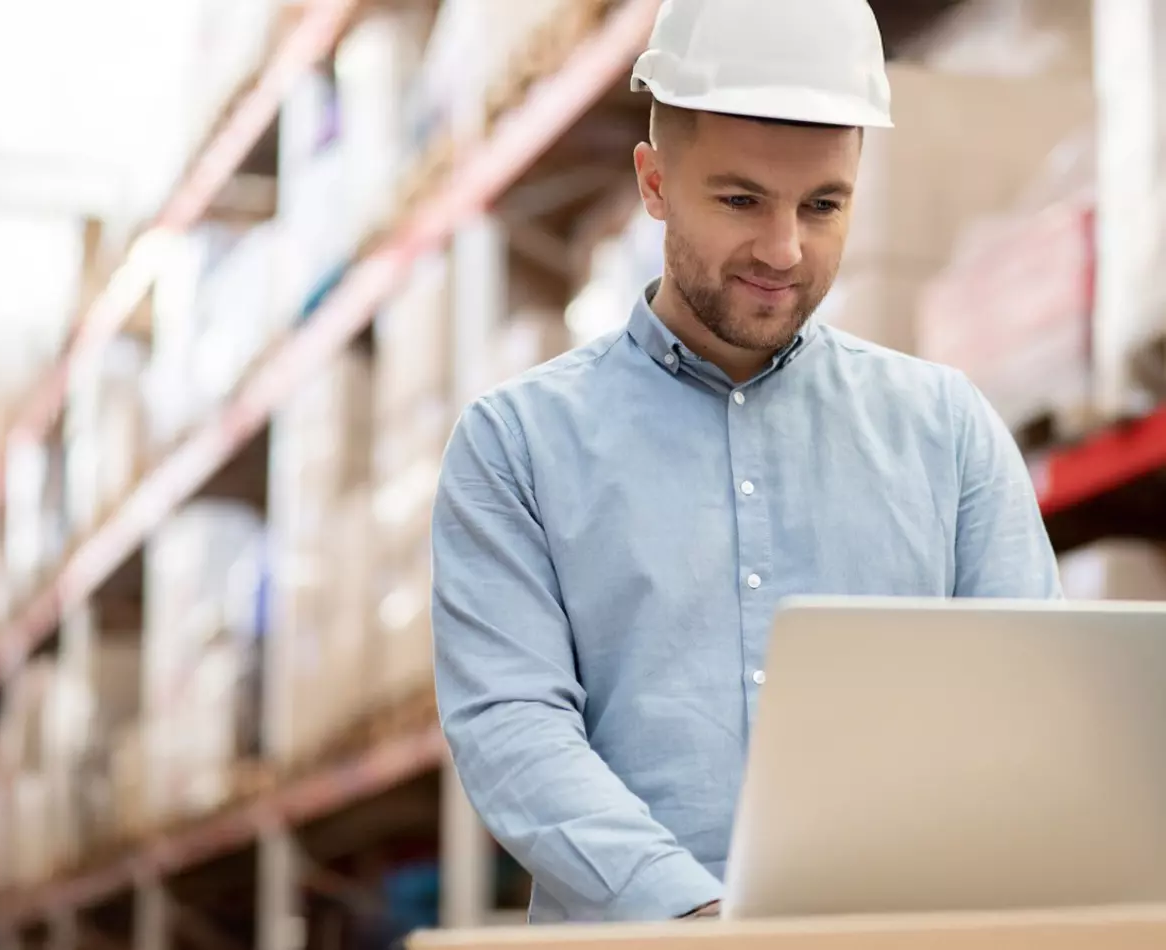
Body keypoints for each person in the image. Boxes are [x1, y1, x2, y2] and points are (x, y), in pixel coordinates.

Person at [430, 0, 1062, 925]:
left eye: (823, 206)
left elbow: (1024, 706)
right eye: (740, 201)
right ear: (653, 183)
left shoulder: (950, 432)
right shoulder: (515, 449)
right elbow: (514, 730)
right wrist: (698, 919)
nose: (783, 250)